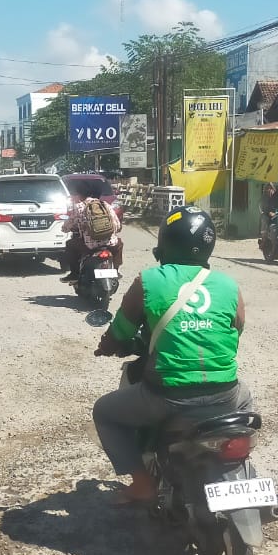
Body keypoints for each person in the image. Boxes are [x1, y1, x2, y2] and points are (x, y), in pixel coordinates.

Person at [91, 206, 251, 503]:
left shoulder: (149, 281)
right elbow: (236, 329)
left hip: (167, 398)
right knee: (245, 401)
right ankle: (241, 469)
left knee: (105, 412)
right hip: (225, 394)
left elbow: (121, 332)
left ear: (164, 243)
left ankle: (142, 483)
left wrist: (107, 346)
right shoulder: (229, 285)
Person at [60, 184, 122, 283]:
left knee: (70, 244)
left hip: (90, 245)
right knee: (119, 244)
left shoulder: (79, 207)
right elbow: (117, 225)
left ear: (79, 195)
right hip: (110, 243)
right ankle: (116, 270)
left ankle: (74, 274)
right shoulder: (104, 204)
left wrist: (64, 229)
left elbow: (69, 224)